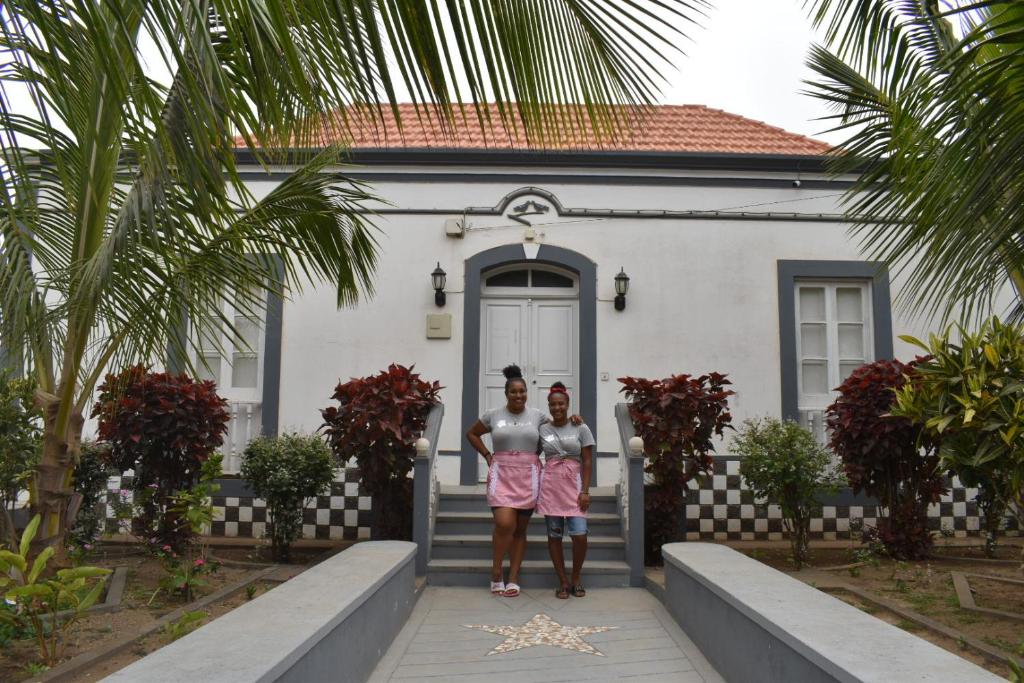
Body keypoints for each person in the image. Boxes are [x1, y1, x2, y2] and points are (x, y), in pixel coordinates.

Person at [465, 364, 546, 598]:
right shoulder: (493, 415)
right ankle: (496, 570)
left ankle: (513, 577)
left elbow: (557, 430)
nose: (518, 395)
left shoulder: (538, 416)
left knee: (520, 530)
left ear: (526, 393)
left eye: (522, 391)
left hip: (528, 476)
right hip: (502, 475)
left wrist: (575, 420)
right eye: (514, 392)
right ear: (506, 393)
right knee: (504, 524)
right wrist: (487, 455)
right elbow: (472, 433)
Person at [536, 382, 594, 598]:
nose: (557, 408)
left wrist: (585, 491)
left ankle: (576, 578)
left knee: (579, 535)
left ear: (568, 404)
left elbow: (587, 461)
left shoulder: (581, 427)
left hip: (574, 488)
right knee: (554, 536)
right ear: (549, 406)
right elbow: (532, 453)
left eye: (561, 404)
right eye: (553, 404)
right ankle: (563, 581)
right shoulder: (542, 429)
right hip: (551, 488)